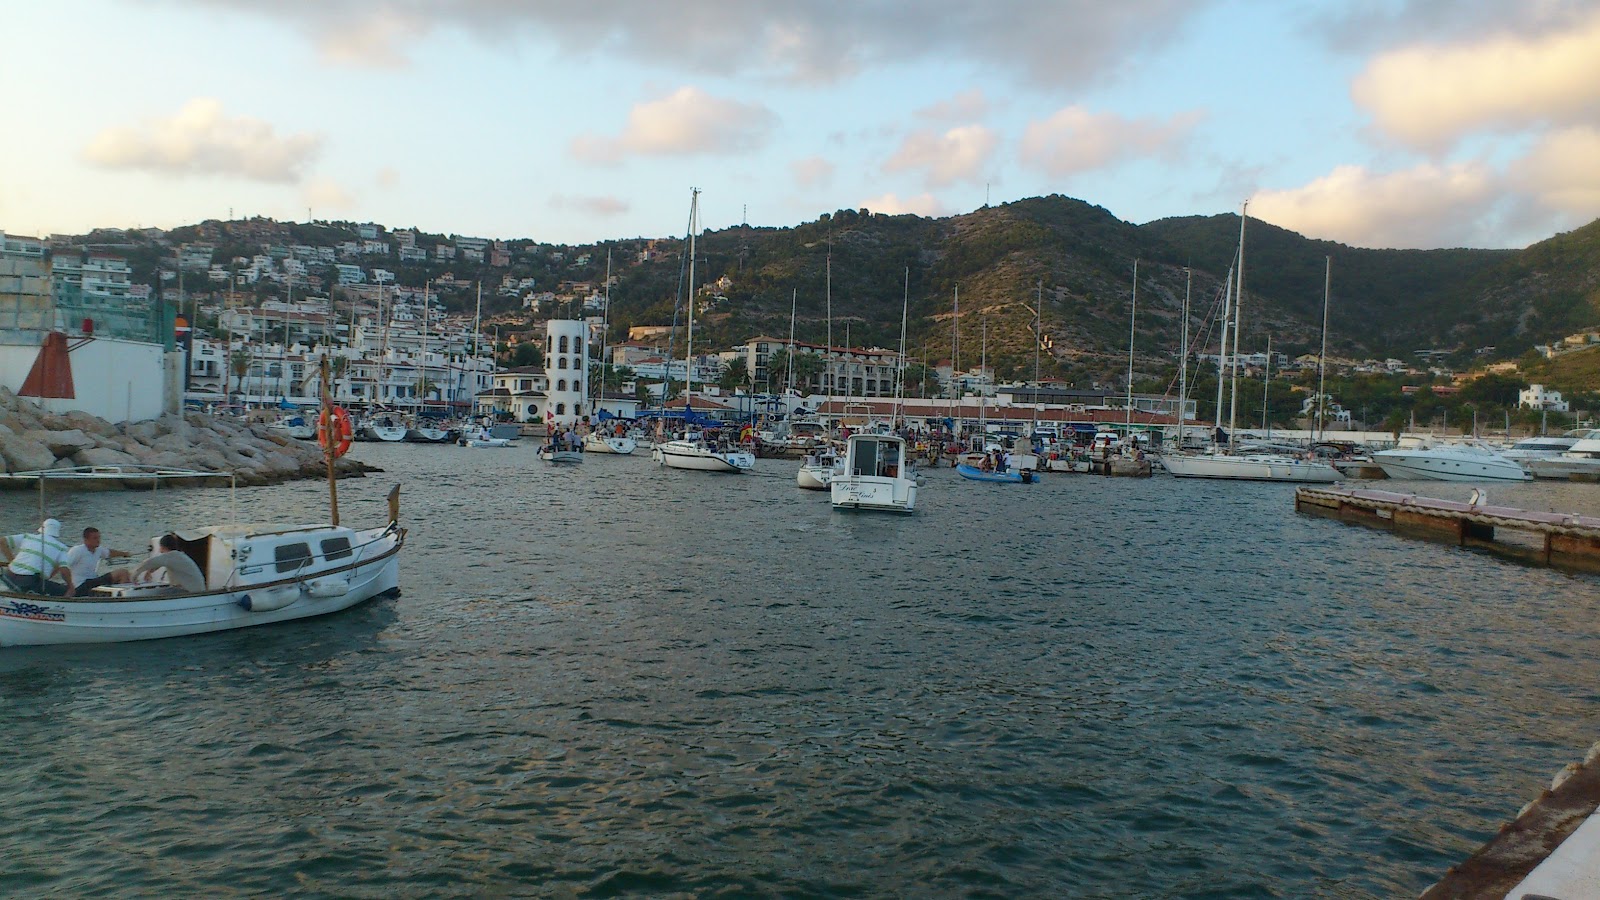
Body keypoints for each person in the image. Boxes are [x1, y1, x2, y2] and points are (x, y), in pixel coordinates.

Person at [1, 519, 74, 596]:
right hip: (29, 582)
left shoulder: (27, 537)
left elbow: (2, 541)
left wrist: (12, 561)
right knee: (65, 590)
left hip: (8, 575)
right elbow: (64, 570)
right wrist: (71, 587)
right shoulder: (61, 548)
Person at [66, 526, 135, 597]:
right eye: (95, 538)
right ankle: (122, 598)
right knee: (122, 572)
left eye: (99, 537)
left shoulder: (98, 549)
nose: (98, 540)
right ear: (86, 540)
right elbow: (64, 566)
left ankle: (121, 596)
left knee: (129, 575)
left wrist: (125, 554)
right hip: (81, 585)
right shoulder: (77, 550)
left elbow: (110, 553)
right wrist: (70, 585)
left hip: (92, 581)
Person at [130, 533, 207, 595]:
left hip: (190, 592)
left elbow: (149, 562)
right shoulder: (178, 556)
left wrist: (134, 576)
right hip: (197, 591)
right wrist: (149, 571)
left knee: (155, 594)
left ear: (162, 547)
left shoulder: (170, 556)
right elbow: (158, 563)